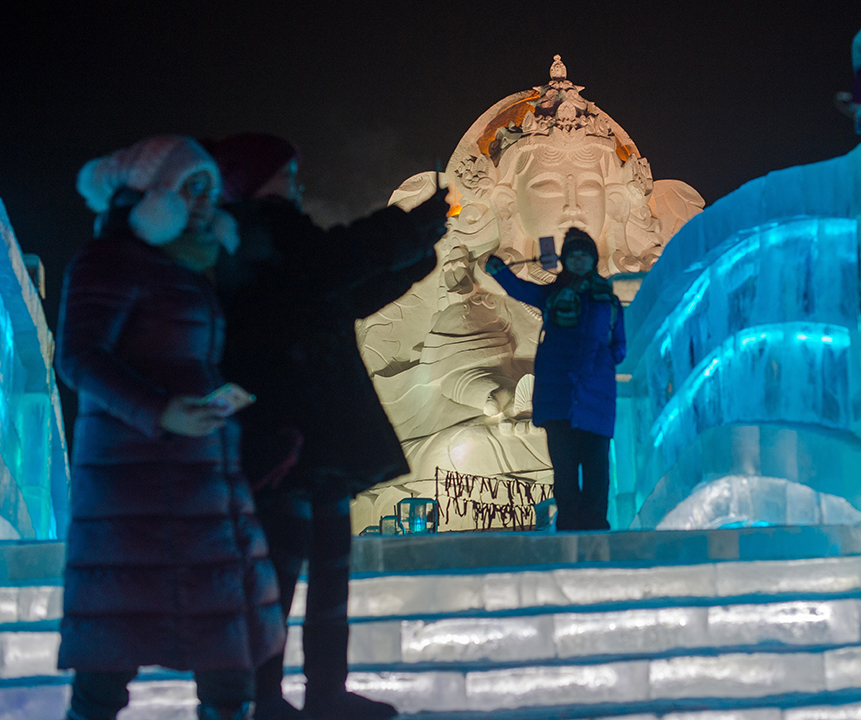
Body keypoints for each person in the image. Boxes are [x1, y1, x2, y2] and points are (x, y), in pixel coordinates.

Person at [206, 133, 447, 720]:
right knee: (283, 569)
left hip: (316, 433)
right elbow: (335, 263)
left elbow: (343, 292)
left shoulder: (280, 239)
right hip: (285, 434)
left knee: (327, 565)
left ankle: (322, 690)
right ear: (255, 176)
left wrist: (417, 252)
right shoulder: (255, 233)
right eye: (286, 170)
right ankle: (266, 695)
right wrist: (408, 231)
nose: (296, 179)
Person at [58, 135, 285, 720]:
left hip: (202, 485)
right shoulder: (107, 259)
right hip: (130, 492)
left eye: (212, 188)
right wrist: (160, 411)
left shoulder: (188, 268)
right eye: (193, 187)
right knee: (108, 668)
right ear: (153, 196)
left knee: (227, 659)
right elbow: (78, 357)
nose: (207, 201)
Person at [485, 227, 625, 530]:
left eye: (583, 255)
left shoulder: (607, 300)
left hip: (596, 397)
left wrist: (601, 363)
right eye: (572, 255)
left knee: (596, 468)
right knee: (564, 468)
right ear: (563, 259)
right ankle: (570, 525)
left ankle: (594, 525)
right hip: (558, 398)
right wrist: (498, 270)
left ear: (592, 259)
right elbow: (520, 290)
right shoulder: (551, 295)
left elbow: (620, 346)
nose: (578, 261)